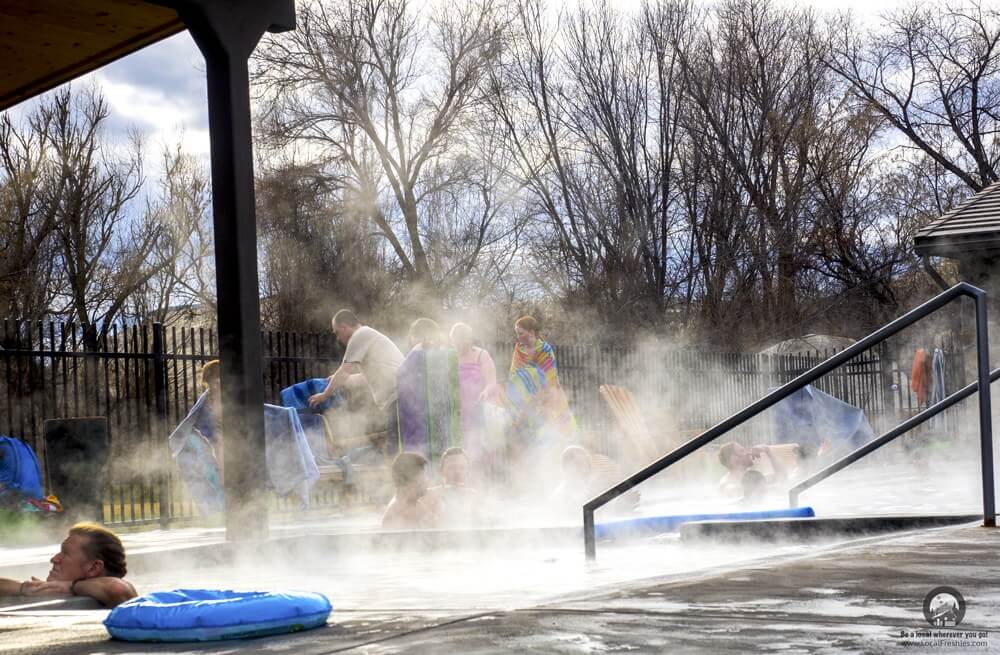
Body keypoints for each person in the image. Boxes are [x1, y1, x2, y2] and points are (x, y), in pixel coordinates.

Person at [309, 310, 405, 449]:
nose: (337, 337)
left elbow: (344, 370)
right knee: (398, 445)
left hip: (399, 398)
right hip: (399, 398)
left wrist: (325, 394)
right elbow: (366, 378)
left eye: (336, 332)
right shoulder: (367, 336)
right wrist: (340, 381)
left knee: (396, 447)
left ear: (344, 327)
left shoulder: (360, 335)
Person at [0, 523, 137, 607]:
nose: (54, 559)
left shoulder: (113, 598)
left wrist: (69, 586)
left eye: (65, 553)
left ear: (93, 568)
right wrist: (24, 588)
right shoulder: (58, 591)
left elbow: (118, 589)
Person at [502, 316, 578, 456]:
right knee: (522, 438)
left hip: (546, 397)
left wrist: (539, 399)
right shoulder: (519, 349)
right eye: (517, 334)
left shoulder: (544, 349)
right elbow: (514, 376)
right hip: (522, 401)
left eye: (521, 333)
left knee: (550, 435)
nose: (518, 337)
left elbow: (550, 378)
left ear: (531, 332)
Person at [395, 318, 461, 464]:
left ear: (417, 335)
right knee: (443, 455)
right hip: (442, 417)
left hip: (418, 417)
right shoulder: (446, 352)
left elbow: (401, 375)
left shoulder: (417, 351)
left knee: (420, 458)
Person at [450, 323, 497, 472]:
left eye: (463, 339)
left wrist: (486, 392)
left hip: (477, 410)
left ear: (470, 339)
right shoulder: (449, 356)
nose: (460, 344)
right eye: (456, 340)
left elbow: (492, 382)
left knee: (477, 453)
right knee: (458, 452)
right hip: (456, 413)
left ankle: (480, 487)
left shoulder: (481, 355)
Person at [424, 447, 481, 526]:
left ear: (467, 470)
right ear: (441, 470)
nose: (458, 472)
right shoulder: (430, 495)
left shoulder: (473, 496)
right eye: (452, 467)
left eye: (462, 467)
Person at [381, 452, 437, 529]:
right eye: (423, 476)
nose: (426, 480)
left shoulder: (414, 504)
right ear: (411, 480)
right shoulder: (396, 513)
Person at [717, 442, 789, 496]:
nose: (748, 453)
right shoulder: (727, 483)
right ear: (733, 458)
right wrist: (769, 489)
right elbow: (731, 490)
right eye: (742, 451)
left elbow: (782, 475)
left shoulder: (751, 477)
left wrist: (767, 450)